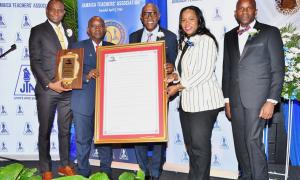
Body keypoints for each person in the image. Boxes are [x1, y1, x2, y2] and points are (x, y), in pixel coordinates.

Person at [222, 0, 284, 179]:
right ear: (236, 12)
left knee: (252, 141)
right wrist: (227, 100)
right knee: (240, 143)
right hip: (235, 99)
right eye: (241, 8)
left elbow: (278, 69)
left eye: (249, 8)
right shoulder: (229, 36)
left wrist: (271, 101)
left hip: (258, 99)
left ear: (255, 11)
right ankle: (246, 176)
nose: (245, 11)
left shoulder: (270, 32)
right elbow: (227, 70)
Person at [167, 6, 224, 180]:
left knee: (199, 148)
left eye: (191, 19)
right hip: (187, 103)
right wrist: (173, 77)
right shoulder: (185, 41)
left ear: (199, 20)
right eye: (183, 20)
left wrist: (177, 86)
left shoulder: (206, 40)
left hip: (203, 103)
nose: (187, 23)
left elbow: (204, 72)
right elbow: (185, 72)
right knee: (192, 148)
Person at [129, 3, 178, 180]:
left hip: (159, 94)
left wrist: (171, 68)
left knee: (158, 134)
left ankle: (156, 171)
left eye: (153, 13)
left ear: (158, 16)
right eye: (145, 14)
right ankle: (142, 169)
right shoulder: (133, 36)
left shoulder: (170, 37)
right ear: (141, 17)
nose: (149, 17)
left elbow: (176, 66)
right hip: (138, 94)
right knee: (138, 133)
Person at [29, 0, 76, 179]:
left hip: (68, 90)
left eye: (60, 10)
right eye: (53, 9)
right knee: (45, 130)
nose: (56, 12)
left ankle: (64, 165)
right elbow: (35, 62)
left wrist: (73, 80)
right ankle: (45, 168)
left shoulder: (70, 32)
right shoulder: (37, 31)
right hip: (47, 90)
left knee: (65, 130)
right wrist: (49, 84)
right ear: (47, 11)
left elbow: (73, 58)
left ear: (64, 13)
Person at [71, 16, 114, 178]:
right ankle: (83, 172)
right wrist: (87, 75)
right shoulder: (77, 47)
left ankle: (106, 172)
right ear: (88, 30)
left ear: (105, 29)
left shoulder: (113, 48)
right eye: (93, 26)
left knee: (105, 140)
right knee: (82, 140)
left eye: (100, 26)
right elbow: (69, 74)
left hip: (106, 104)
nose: (97, 29)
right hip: (83, 102)